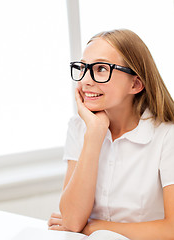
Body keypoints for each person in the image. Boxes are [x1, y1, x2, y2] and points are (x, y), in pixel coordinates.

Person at [48, 29, 174, 240]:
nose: (86, 80)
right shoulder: (80, 127)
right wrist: (94, 136)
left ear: (135, 84)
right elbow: (72, 220)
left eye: (100, 69)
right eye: (83, 68)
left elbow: (171, 229)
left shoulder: (167, 135)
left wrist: (95, 227)